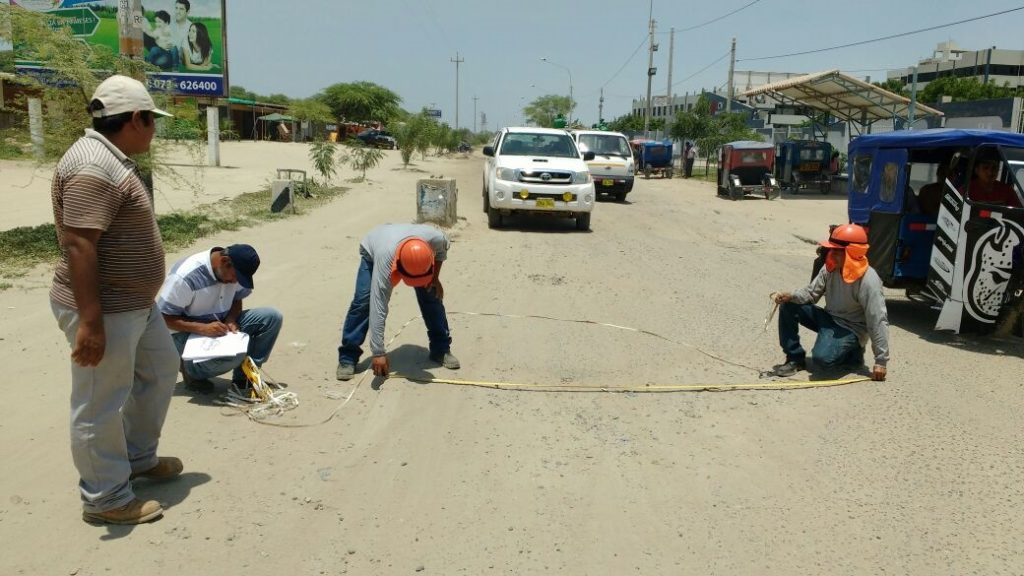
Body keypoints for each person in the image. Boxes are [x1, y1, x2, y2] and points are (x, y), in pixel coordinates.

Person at [49, 75, 180, 525]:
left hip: (136, 305)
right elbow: (80, 246)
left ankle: (138, 458)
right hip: (105, 309)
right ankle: (105, 497)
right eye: (152, 122)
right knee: (99, 402)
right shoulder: (93, 166)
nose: (154, 132)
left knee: (161, 370)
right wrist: (90, 322)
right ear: (137, 119)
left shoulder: (110, 158)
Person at [336, 224, 460, 381]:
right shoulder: (385, 261)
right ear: (398, 267)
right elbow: (378, 305)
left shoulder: (437, 239)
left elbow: (441, 253)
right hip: (374, 248)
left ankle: (441, 349)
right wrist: (378, 352)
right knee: (363, 302)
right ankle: (348, 357)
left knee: (431, 294)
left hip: (403, 244)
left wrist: (434, 278)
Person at [769, 224, 890, 382]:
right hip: (829, 318)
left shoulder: (869, 280)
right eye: (832, 249)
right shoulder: (830, 267)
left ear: (853, 252)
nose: (832, 254)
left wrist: (881, 361)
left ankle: (853, 354)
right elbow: (811, 293)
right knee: (789, 305)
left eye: (837, 251)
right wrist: (790, 296)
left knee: (822, 359)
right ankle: (795, 359)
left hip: (851, 328)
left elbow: (877, 319)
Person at [157, 244, 283, 392]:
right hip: (184, 335)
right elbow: (162, 317)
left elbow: (237, 298)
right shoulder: (185, 277)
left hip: (220, 326)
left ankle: (244, 379)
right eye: (235, 277)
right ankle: (191, 370)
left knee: (272, 317)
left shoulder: (231, 271)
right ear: (224, 261)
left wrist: (231, 318)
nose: (235, 282)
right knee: (236, 356)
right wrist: (202, 328)